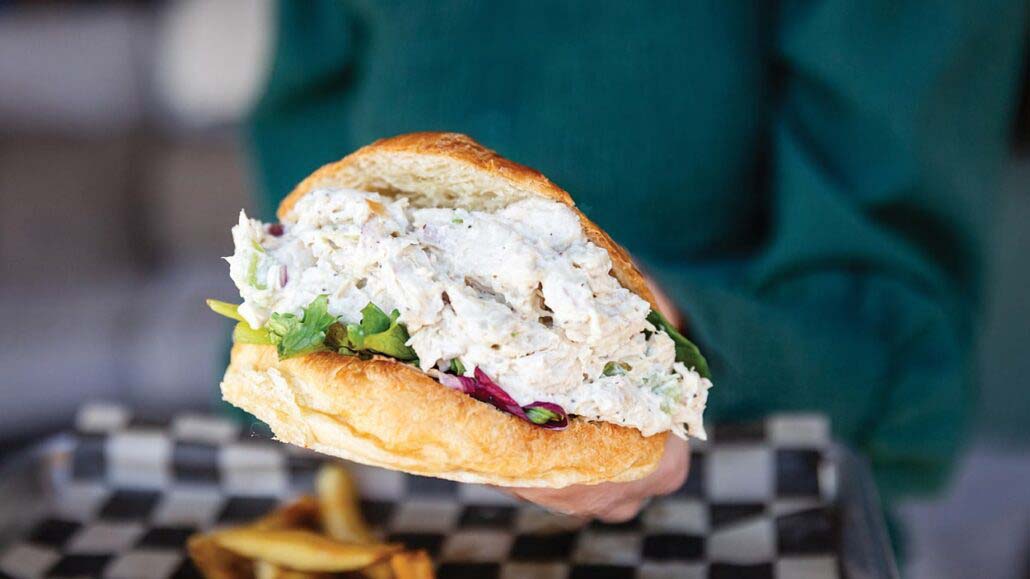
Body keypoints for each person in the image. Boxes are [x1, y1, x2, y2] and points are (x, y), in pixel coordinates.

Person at [245, 0, 1028, 524]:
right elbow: (297, 169)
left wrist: (665, 343)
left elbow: (906, 350)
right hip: (367, 517)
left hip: (749, 530)